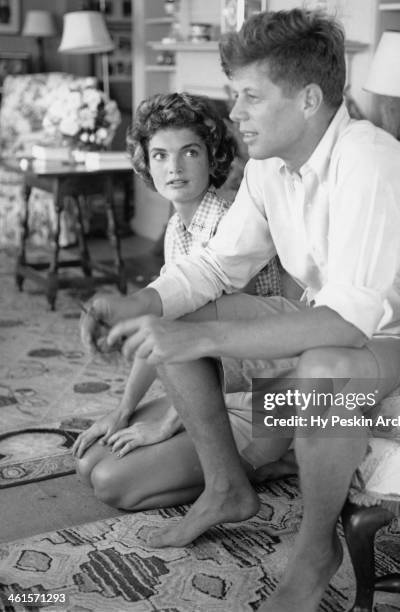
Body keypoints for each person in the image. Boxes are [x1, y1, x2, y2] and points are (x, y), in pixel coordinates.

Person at [79, 9, 400, 612]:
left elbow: (345, 324)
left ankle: (317, 549)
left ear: (308, 98)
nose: (234, 114)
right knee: (185, 316)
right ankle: (227, 487)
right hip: (335, 325)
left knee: (322, 364)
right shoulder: (267, 167)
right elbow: (214, 268)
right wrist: (135, 302)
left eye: (250, 97)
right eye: (236, 96)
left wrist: (204, 345)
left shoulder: (371, 163)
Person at [72, 91, 284, 512]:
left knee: (114, 483)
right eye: (160, 155)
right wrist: (123, 409)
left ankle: (274, 462)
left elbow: (222, 339)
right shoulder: (176, 230)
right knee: (88, 463)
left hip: (259, 395)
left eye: (190, 152)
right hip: (211, 389)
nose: (175, 168)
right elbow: (164, 328)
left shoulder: (230, 225)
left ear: (212, 158)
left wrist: (167, 423)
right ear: (146, 164)